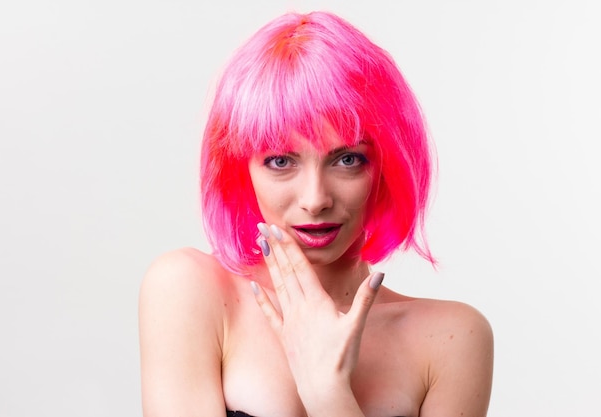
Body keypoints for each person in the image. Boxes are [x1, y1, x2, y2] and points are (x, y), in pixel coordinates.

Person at [139, 10, 493, 417]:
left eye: (347, 159)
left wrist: (328, 392)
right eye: (280, 161)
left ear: (386, 166)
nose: (315, 199)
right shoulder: (190, 290)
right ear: (242, 169)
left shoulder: (452, 339)